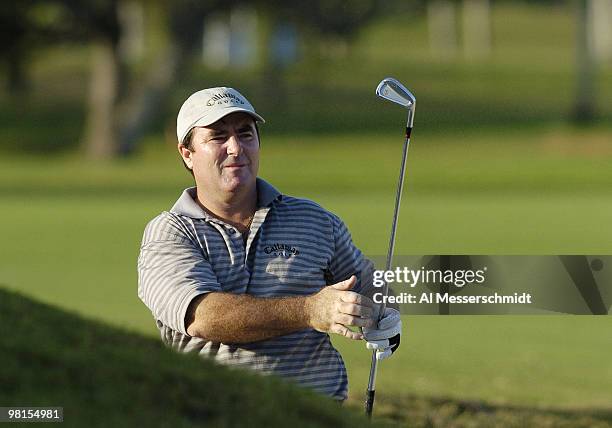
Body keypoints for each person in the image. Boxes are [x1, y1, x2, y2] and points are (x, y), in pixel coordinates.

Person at [137, 87, 401, 401]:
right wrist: (309, 309)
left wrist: (383, 316)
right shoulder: (169, 233)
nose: (235, 148)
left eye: (245, 134)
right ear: (187, 153)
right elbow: (203, 317)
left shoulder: (313, 219)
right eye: (218, 137)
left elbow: (369, 284)